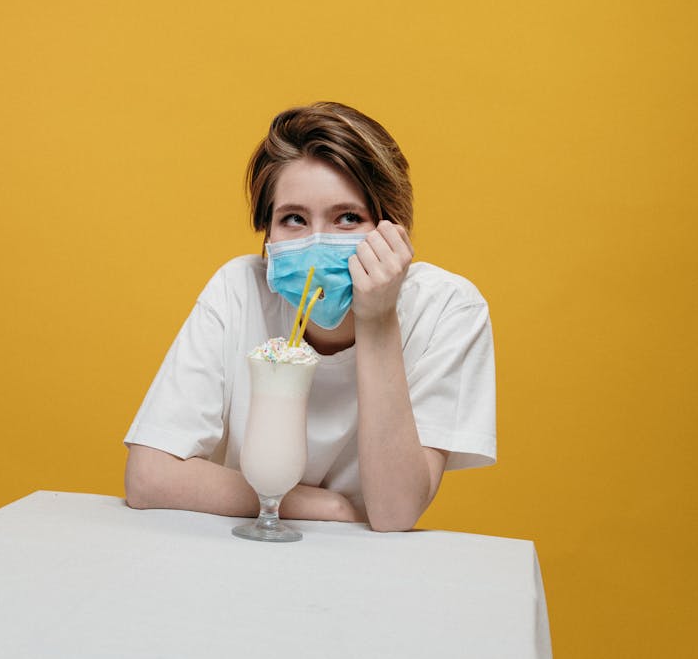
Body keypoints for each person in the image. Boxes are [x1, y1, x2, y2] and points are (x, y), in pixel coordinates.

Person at [124, 101, 496, 532]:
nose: (317, 243)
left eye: (348, 218)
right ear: (268, 234)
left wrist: (376, 319)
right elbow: (148, 476)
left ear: (394, 229)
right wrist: (333, 508)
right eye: (294, 218)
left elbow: (394, 512)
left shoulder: (449, 310)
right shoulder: (239, 290)